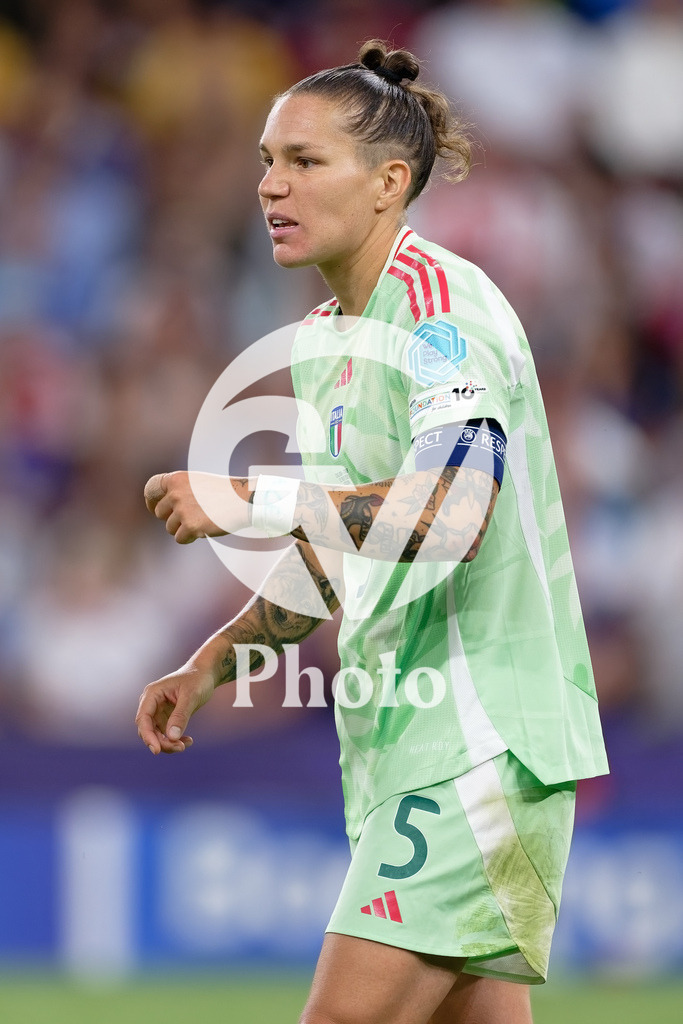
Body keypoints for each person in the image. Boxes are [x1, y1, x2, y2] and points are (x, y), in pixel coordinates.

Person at [136, 40, 608, 1024]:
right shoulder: (323, 338)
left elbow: (451, 513)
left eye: (304, 162)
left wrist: (246, 495)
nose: (271, 185)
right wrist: (215, 660)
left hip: (479, 740)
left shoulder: (442, 313)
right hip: (402, 745)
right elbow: (345, 541)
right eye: (267, 160)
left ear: (389, 181)